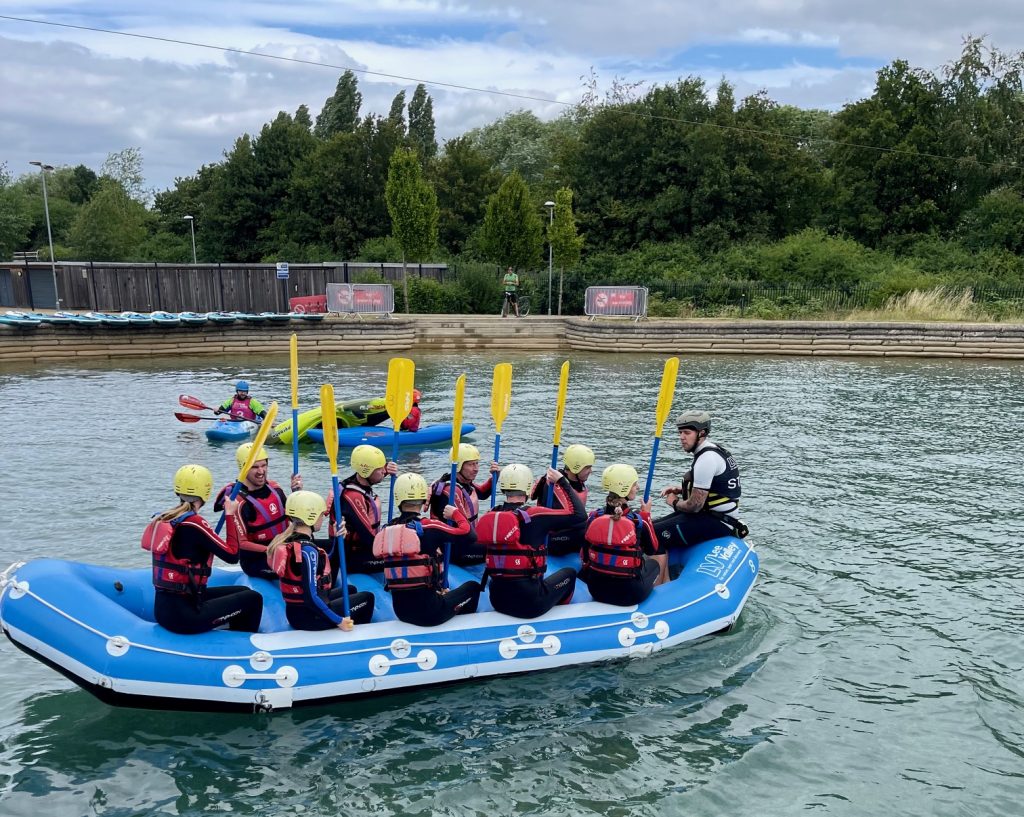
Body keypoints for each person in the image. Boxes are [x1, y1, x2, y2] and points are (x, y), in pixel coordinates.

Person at [148, 464, 264, 635]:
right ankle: (242, 647)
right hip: (185, 616)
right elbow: (232, 555)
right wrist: (230, 514)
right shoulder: (195, 523)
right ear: (206, 492)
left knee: (243, 592)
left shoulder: (166, 518)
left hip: (164, 609)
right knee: (254, 599)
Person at [477, 464, 586, 619]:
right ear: (527, 487)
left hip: (497, 600)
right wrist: (562, 481)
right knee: (569, 574)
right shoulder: (535, 515)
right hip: (530, 604)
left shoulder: (492, 515)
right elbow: (579, 515)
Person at [372, 473, 481, 627]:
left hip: (401, 612)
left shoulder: (387, 530)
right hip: (430, 613)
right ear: (424, 498)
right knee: (473, 587)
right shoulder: (429, 527)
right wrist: (455, 513)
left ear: (398, 498)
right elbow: (470, 535)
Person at [266, 491, 374, 631]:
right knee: (367, 598)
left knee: (350, 589)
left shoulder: (288, 540)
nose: (323, 518)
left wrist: (337, 539)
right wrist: (339, 621)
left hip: (296, 611)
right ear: (311, 517)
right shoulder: (307, 551)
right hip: (310, 617)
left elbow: (325, 563)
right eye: (321, 514)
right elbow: (311, 596)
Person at [654, 411, 747, 548]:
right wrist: (681, 490)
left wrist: (674, 502)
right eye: (680, 433)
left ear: (701, 433)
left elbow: (695, 505)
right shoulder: (714, 450)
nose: (681, 437)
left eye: (687, 433)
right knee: (650, 525)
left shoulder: (706, 459)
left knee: (650, 534)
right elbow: (716, 487)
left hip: (717, 521)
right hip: (713, 516)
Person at [580, 464, 667, 605]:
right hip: (628, 594)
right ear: (624, 488)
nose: (637, 487)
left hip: (596, 590)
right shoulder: (638, 521)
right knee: (654, 564)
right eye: (634, 484)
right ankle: (659, 603)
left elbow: (584, 556)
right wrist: (646, 515)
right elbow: (653, 549)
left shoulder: (593, 517)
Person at [214, 443, 302, 580]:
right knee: (299, 568)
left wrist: (297, 494)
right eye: (255, 467)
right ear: (243, 468)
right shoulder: (238, 502)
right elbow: (241, 543)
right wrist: (273, 550)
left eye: (264, 465)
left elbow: (297, 520)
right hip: (257, 561)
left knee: (322, 551)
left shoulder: (275, 489)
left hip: (284, 549)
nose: (261, 471)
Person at [428, 443, 499, 563]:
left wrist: (495, 476)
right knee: (499, 548)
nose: (476, 468)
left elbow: (482, 493)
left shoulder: (463, 483)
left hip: (465, 541)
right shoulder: (451, 491)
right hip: (454, 549)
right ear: (459, 466)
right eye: (471, 464)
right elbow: (465, 533)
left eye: (477, 463)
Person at [337, 444, 398, 574]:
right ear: (367, 471)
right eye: (380, 468)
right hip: (352, 557)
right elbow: (368, 538)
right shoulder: (353, 497)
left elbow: (375, 475)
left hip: (361, 550)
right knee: (400, 560)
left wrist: (387, 469)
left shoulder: (356, 481)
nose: (383, 471)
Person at [530, 443, 595, 556]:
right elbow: (577, 518)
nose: (591, 471)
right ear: (576, 467)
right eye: (587, 467)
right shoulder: (553, 485)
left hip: (568, 532)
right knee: (587, 530)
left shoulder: (579, 485)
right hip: (551, 539)